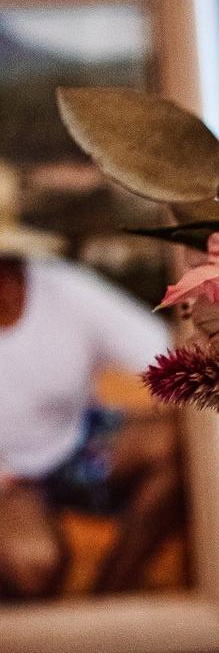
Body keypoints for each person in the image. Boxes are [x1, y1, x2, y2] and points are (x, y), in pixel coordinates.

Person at [0, 165, 182, 599]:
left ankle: (108, 602)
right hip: (6, 480)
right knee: (35, 564)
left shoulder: (65, 290)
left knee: (179, 446)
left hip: (75, 447)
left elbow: (171, 359)